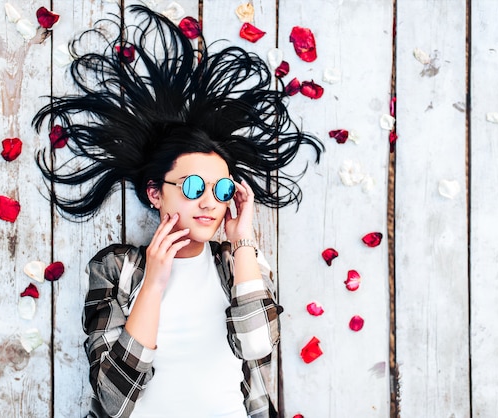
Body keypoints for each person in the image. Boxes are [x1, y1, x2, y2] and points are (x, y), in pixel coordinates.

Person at [33, 6, 322, 418]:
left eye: (220, 189)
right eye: (191, 187)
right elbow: (113, 402)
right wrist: (152, 285)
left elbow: (257, 345)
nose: (208, 201)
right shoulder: (115, 269)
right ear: (155, 192)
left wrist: (242, 240)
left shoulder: (240, 263)